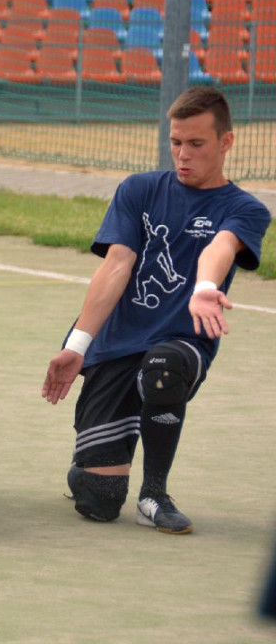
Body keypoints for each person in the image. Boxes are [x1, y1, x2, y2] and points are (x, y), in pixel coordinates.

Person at [42, 86, 271, 535]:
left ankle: (154, 493)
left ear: (226, 143)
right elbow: (116, 267)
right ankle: (98, 460)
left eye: (197, 144)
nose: (183, 155)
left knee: (163, 368)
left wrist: (205, 287)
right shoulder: (139, 189)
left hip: (181, 341)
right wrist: (77, 346)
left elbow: (220, 248)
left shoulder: (244, 209)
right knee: (97, 499)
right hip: (117, 345)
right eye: (176, 142)